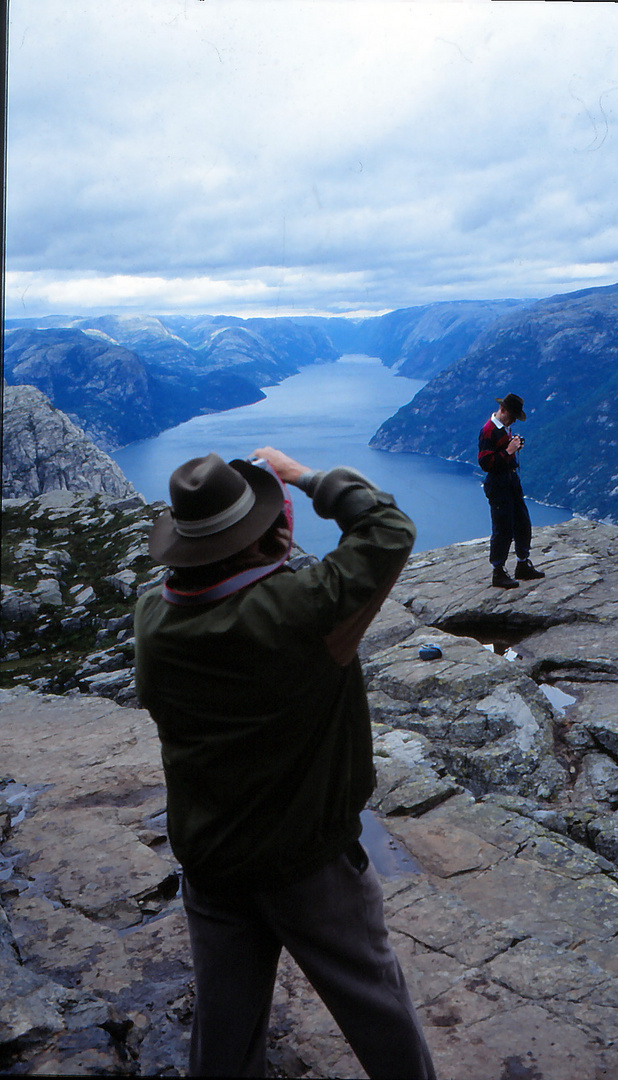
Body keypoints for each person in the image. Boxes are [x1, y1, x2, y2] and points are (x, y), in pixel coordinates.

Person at [134, 447, 436, 1080]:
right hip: (308, 863)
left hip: (212, 857)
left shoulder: (154, 617)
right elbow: (387, 529)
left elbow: (230, 595)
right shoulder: (300, 612)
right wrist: (304, 478)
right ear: (270, 534)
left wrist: (268, 544)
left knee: (226, 1024)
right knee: (376, 1007)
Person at [478, 392, 546, 589]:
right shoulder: (488, 430)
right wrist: (508, 451)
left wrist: (513, 448)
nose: (515, 420)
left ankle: (522, 564)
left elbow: (501, 452)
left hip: (510, 480)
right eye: (513, 415)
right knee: (503, 528)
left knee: (522, 522)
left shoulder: (504, 428)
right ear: (503, 410)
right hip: (498, 483)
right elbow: (484, 462)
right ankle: (498, 572)